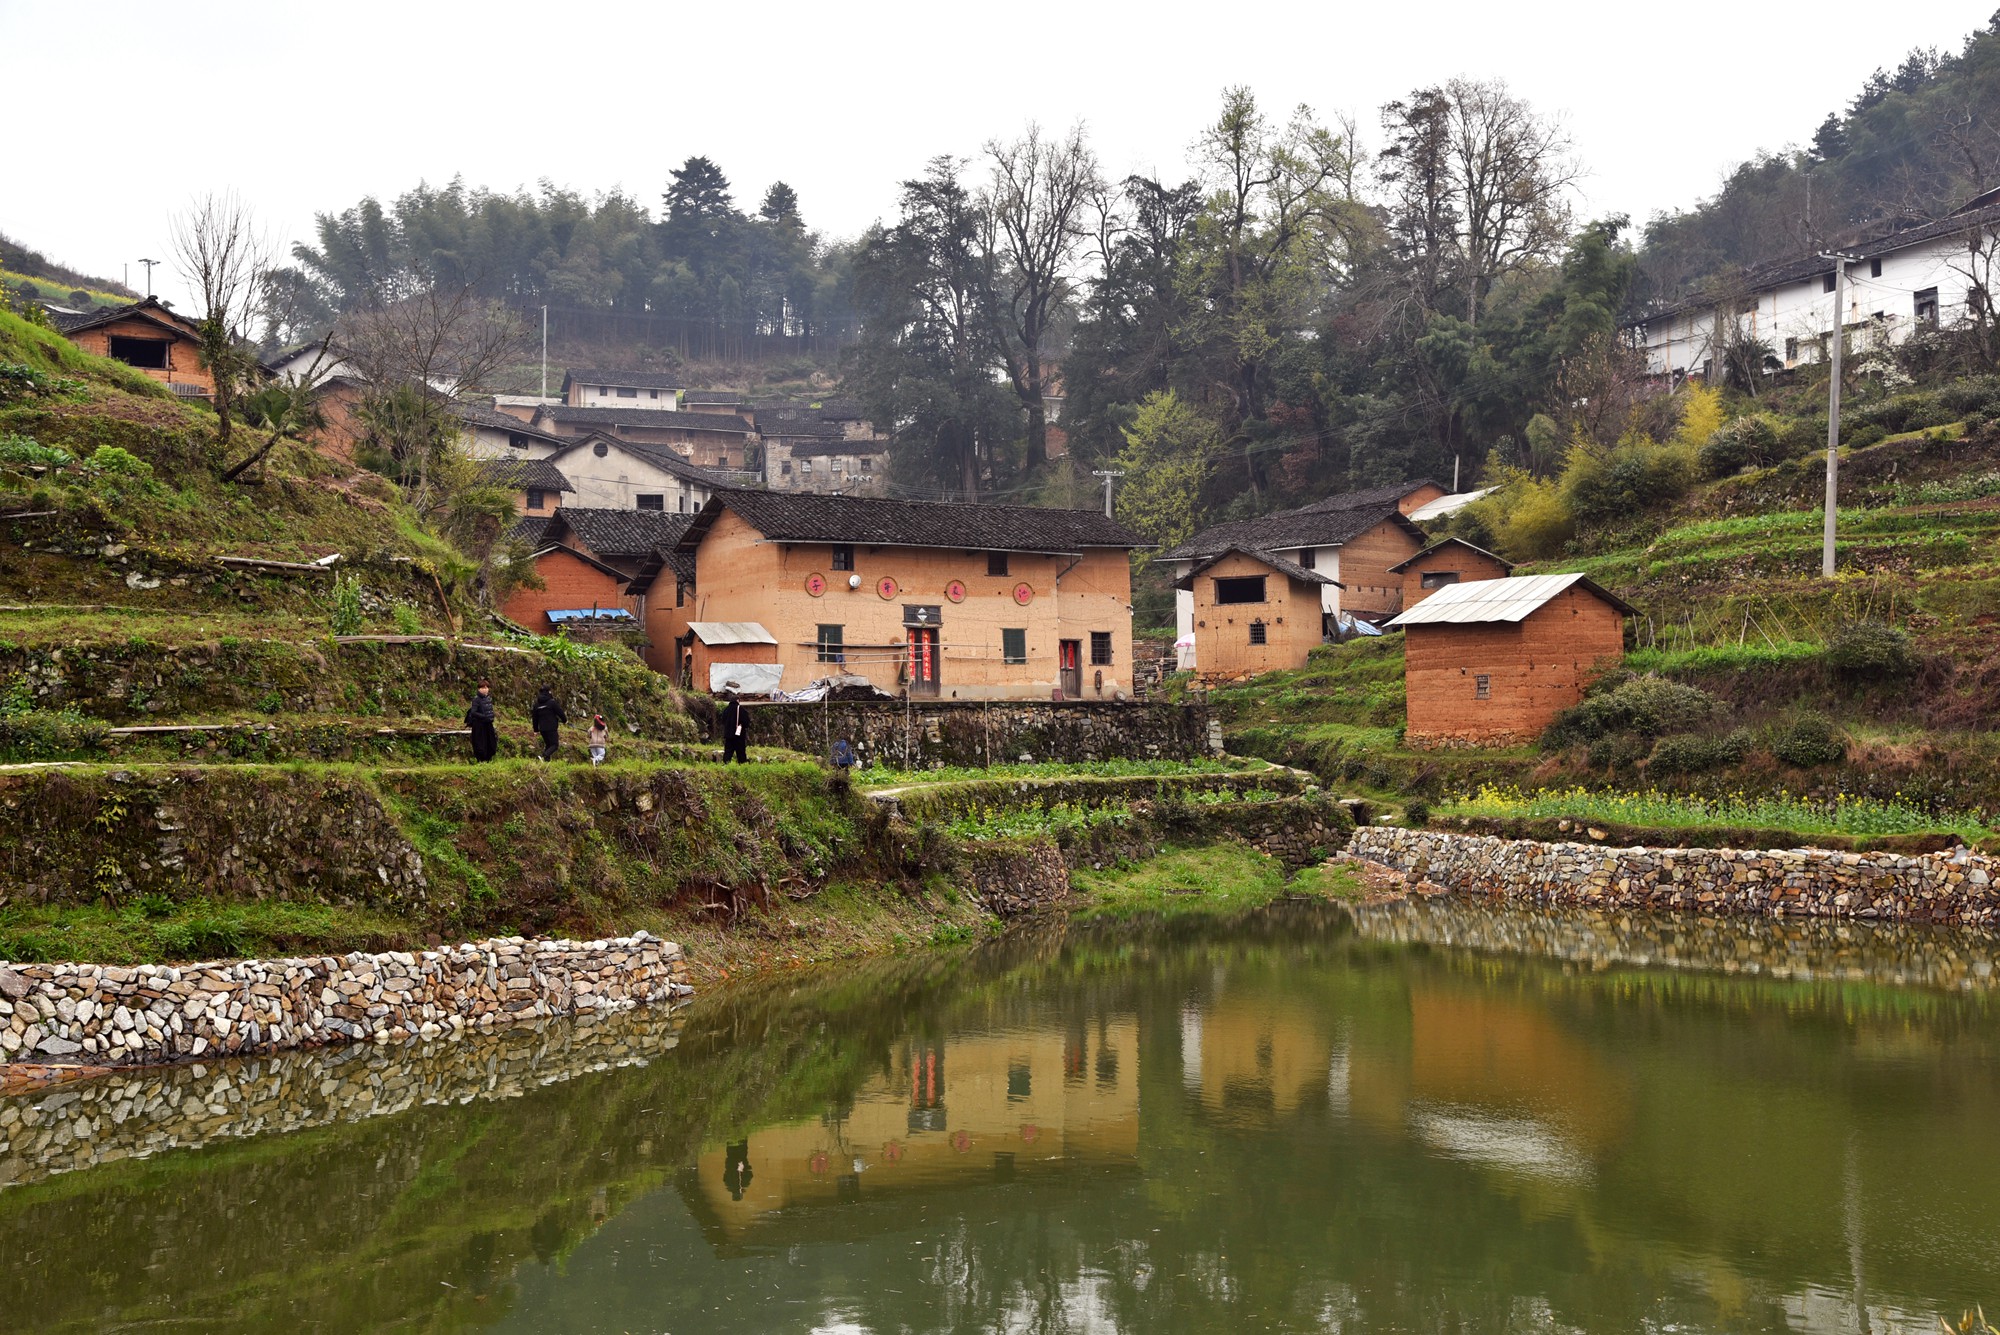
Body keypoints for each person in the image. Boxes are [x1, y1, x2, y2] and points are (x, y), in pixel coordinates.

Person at [531, 685, 567, 762]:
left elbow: (535, 718)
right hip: (551, 727)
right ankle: (543, 755)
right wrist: (565, 721)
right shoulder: (551, 702)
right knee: (555, 745)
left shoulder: (536, 705)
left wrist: (536, 730)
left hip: (542, 729)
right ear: (548, 692)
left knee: (548, 745)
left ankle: (546, 762)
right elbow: (560, 712)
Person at [464, 682, 497, 762]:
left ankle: (489, 759)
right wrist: (483, 716)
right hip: (479, 725)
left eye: (486, 688)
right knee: (480, 743)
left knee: (491, 742)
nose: (485, 690)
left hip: (488, 723)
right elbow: (473, 712)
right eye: (483, 688)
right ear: (479, 689)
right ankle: (481, 759)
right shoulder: (476, 700)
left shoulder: (488, 698)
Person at [719, 690, 748, 763]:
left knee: (728, 752)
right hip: (738, 735)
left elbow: (722, 721)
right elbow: (746, 722)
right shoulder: (740, 709)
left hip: (728, 735)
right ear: (738, 700)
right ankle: (742, 765)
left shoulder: (726, 709)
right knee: (740, 752)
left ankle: (726, 764)